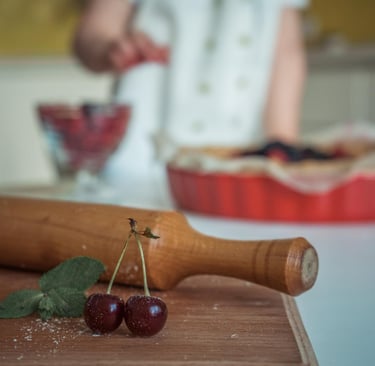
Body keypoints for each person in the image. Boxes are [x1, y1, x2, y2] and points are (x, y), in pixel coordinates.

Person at [72, 0, 308, 207]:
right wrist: (110, 49)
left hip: (236, 158)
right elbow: (93, 32)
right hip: (141, 150)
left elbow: (286, 53)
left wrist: (283, 149)